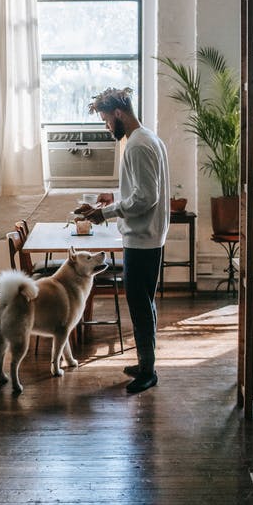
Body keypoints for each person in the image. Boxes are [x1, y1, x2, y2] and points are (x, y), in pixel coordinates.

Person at [76, 87, 170, 393]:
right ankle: (146, 364)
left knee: (139, 306)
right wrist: (114, 198)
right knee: (145, 304)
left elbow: (146, 198)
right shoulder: (148, 138)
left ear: (118, 113)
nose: (106, 127)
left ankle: (148, 372)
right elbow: (142, 192)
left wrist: (106, 213)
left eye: (106, 120)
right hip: (150, 237)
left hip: (141, 240)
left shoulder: (137, 146)